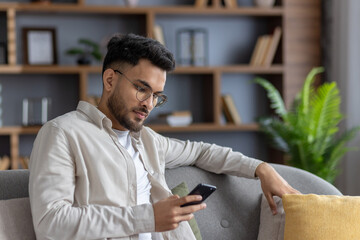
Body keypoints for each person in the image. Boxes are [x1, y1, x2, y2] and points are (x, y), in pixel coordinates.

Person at [29, 33, 299, 240]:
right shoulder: (62, 134)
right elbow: (50, 223)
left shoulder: (147, 140)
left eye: (157, 96)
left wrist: (261, 169)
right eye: (141, 89)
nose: (149, 104)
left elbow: (202, 152)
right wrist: (147, 217)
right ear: (110, 80)